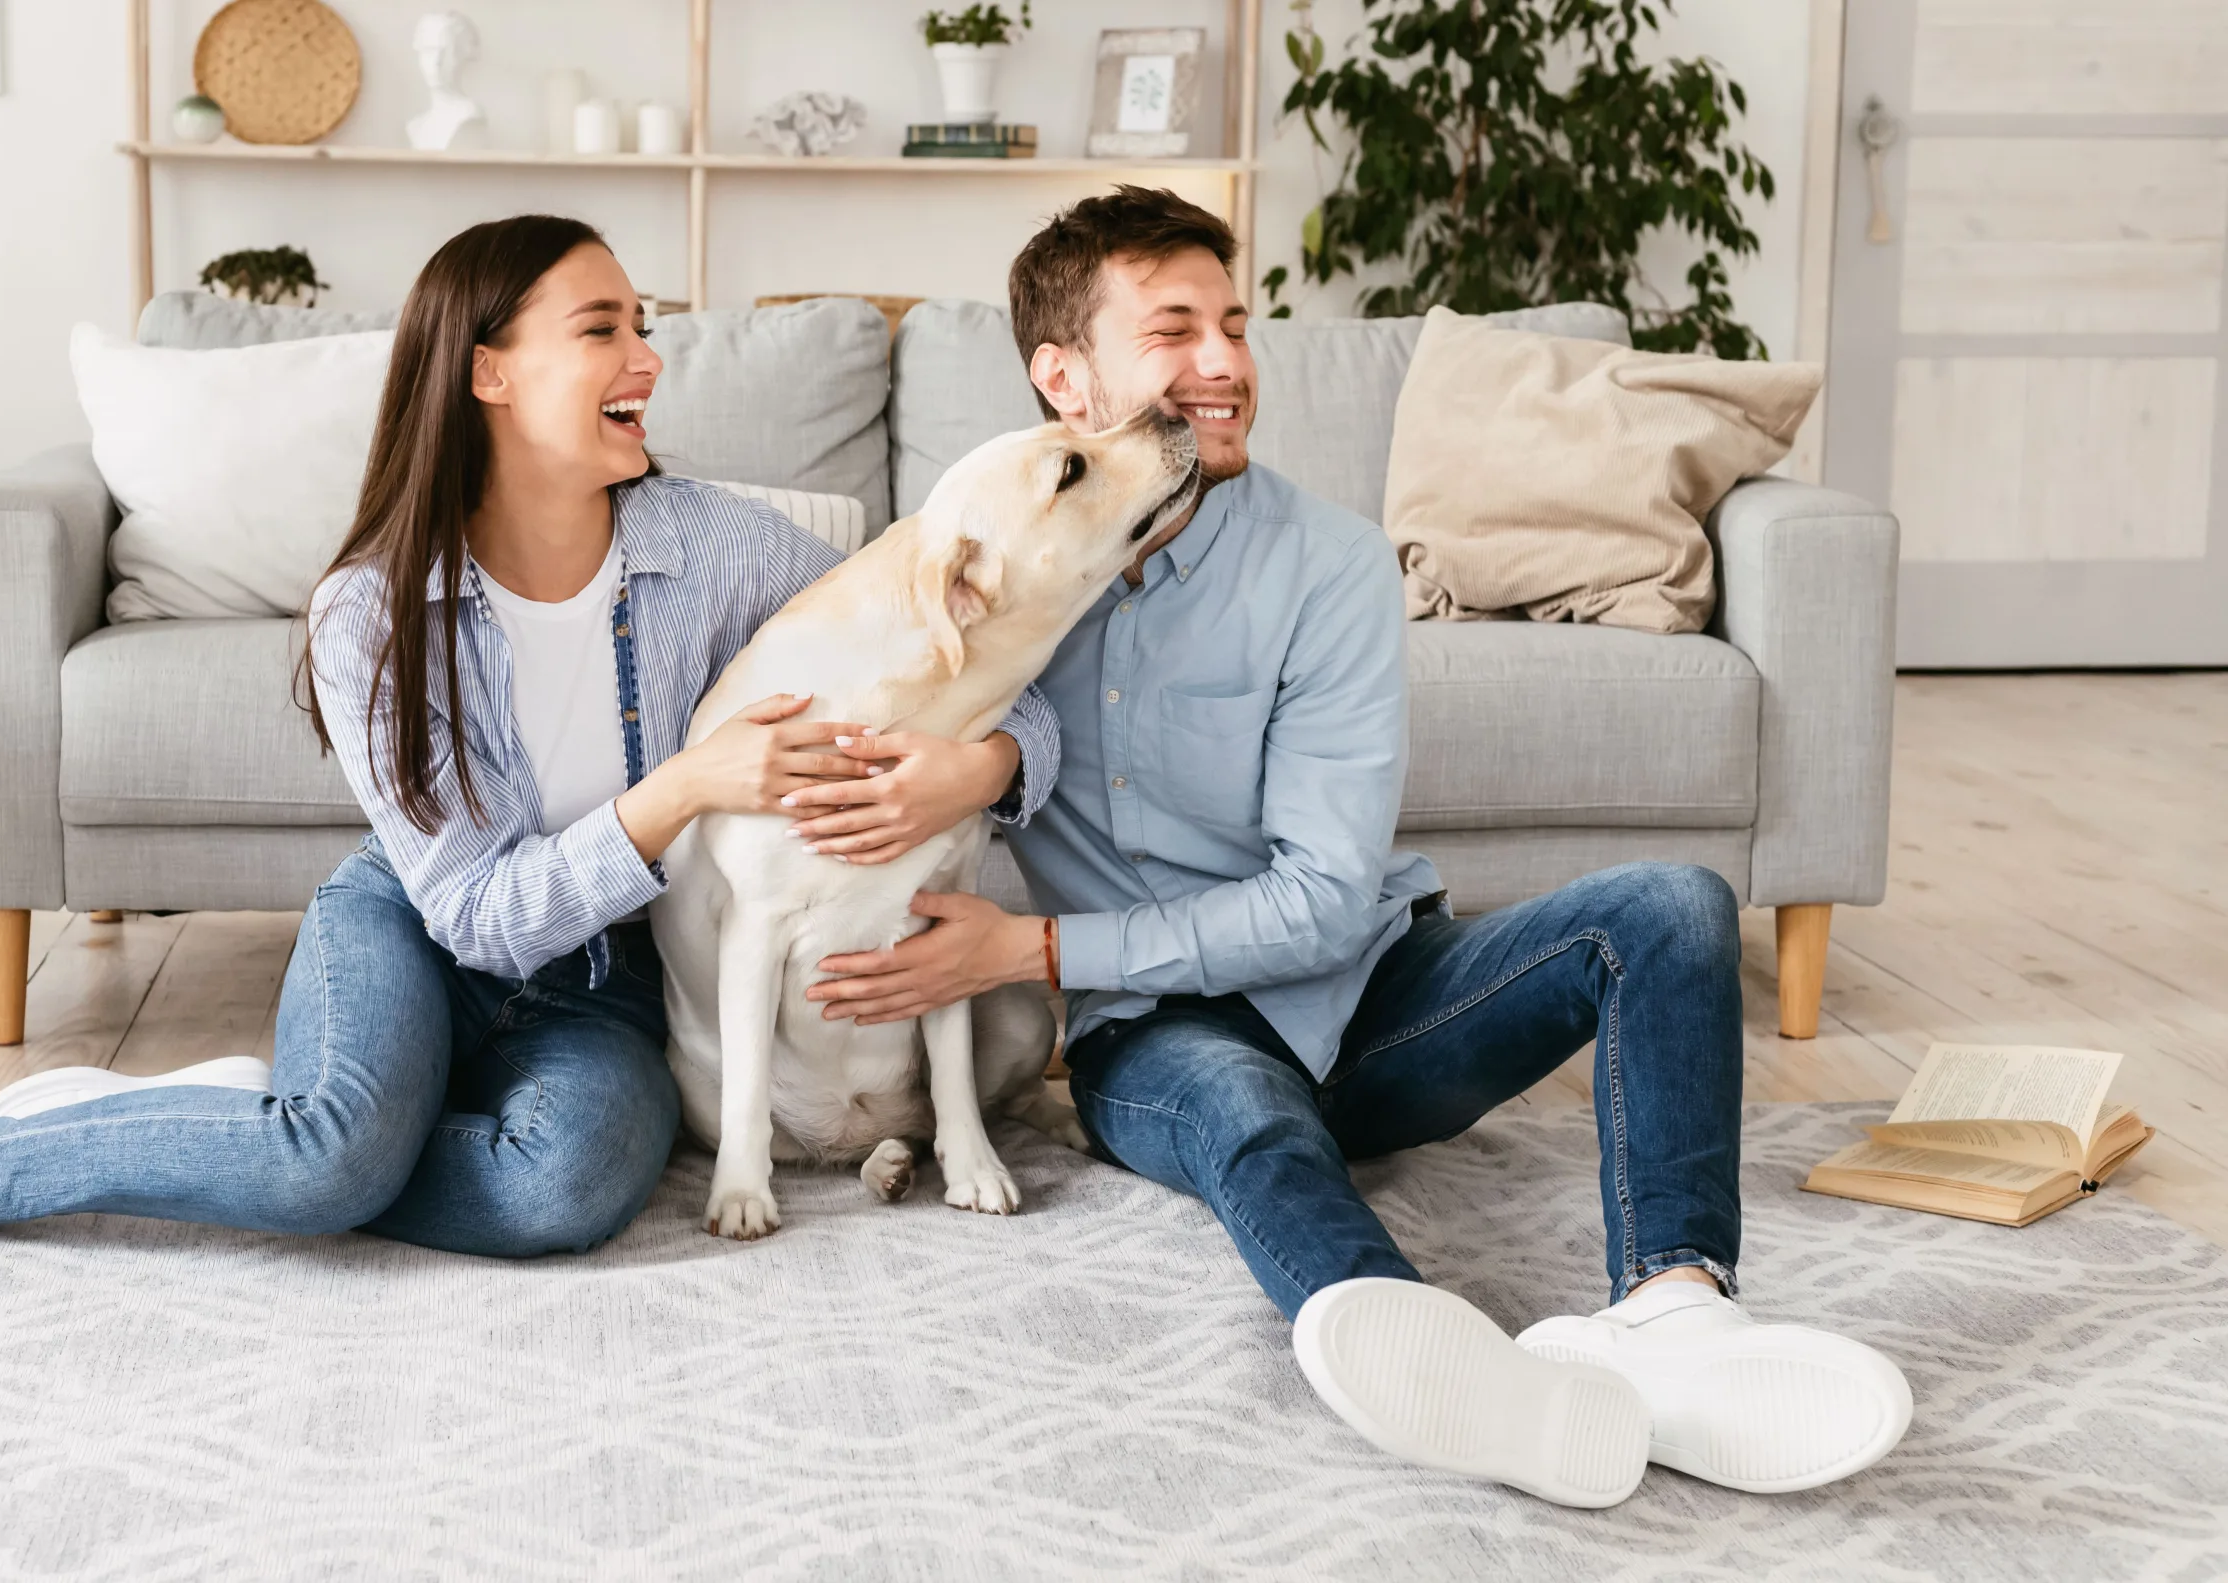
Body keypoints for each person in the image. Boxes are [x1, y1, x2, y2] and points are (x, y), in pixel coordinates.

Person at [796, 187, 1913, 1507]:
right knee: (1243, 1109)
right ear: (1064, 375)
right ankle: (1425, 1346)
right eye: (1173, 331)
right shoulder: (1013, 568)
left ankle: (1677, 1318)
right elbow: (880, 655)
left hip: (1373, 992)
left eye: (1234, 323)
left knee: (1671, 905)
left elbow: (1327, 903)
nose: (1223, 363)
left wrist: (1028, 945)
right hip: (1152, 1032)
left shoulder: (1330, 566)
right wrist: (976, 761)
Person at [0, 214, 1058, 1266]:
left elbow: (981, 661)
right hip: (417, 932)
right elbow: (479, 915)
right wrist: (683, 789)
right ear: (487, 368)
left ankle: (255, 1129)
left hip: (609, 977)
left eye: (643, 326)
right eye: (602, 328)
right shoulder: (372, 607)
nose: (648, 359)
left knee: (570, 1186)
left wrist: (987, 766)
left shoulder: (722, 547)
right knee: (335, 1154)